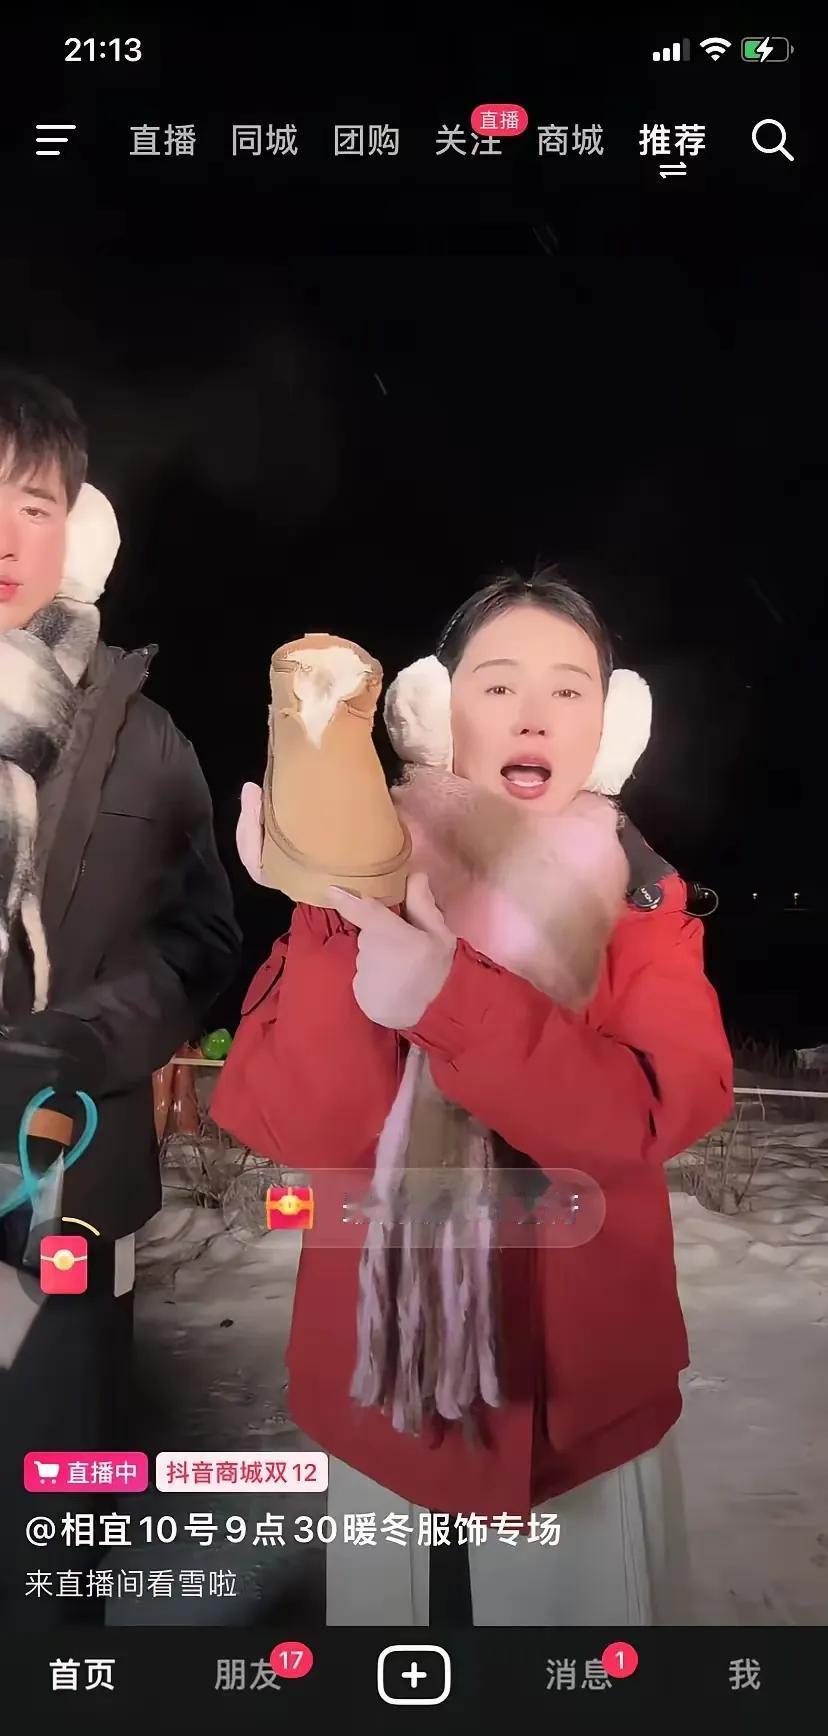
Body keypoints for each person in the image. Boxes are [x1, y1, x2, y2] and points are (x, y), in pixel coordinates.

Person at [212, 570, 733, 1626]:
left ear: (611, 725)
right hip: (382, 1393)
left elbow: (647, 1113)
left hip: (578, 1407)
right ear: (434, 713)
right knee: (398, 1685)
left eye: (570, 689)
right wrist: (331, 906)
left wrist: (452, 1002)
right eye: (497, 685)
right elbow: (305, 1126)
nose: (536, 714)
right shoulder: (372, 876)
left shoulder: (645, 910)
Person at [0, 369, 241, 1620]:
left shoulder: (146, 738)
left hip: (72, 1185)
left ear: (76, 525)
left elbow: (202, 939)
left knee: (52, 1534)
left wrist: (74, 1040)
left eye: (33, 503)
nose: (4, 537)